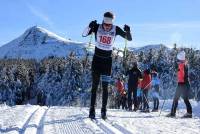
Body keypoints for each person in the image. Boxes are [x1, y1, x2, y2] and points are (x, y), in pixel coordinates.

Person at [84, 11, 132, 119]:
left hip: (107, 62)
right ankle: (92, 110)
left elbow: (129, 38)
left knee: (105, 88)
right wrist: (89, 26)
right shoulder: (97, 27)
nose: (107, 27)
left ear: (112, 23)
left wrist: (128, 31)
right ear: (103, 22)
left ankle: (103, 111)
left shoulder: (116, 29)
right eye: (105, 25)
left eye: (109, 25)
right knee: (95, 87)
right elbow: (84, 34)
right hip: (96, 60)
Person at [166, 51, 192, 118]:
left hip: (181, 84)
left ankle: (173, 113)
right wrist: (178, 69)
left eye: (178, 60)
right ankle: (189, 113)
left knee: (176, 98)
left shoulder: (181, 65)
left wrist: (178, 69)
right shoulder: (185, 64)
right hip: (186, 83)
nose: (177, 61)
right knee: (185, 98)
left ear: (180, 59)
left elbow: (181, 75)